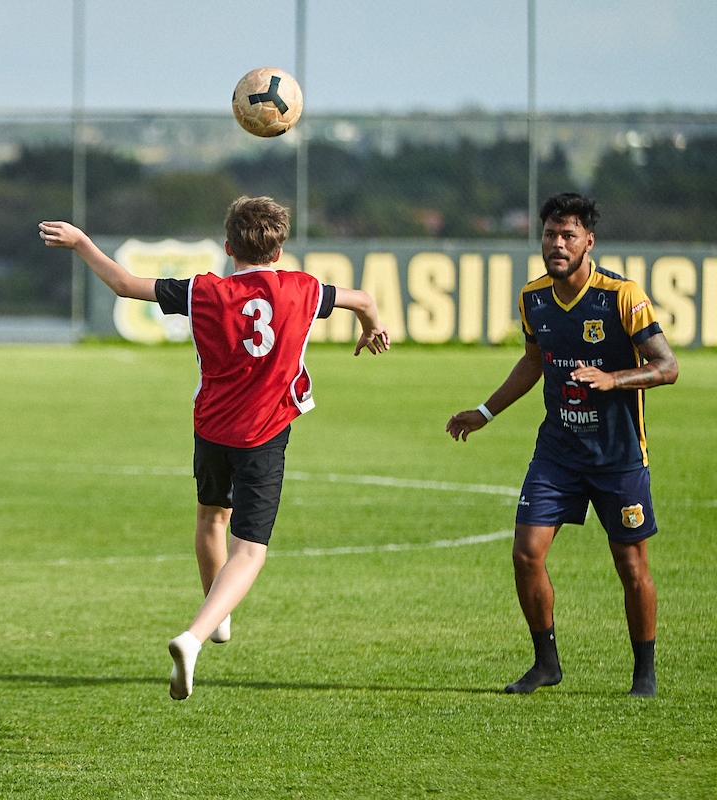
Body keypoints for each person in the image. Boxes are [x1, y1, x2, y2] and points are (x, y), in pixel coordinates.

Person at [41, 196, 390, 700]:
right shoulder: (304, 289)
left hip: (212, 429)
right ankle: (195, 635)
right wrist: (371, 328)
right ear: (281, 248)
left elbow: (122, 284)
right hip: (265, 433)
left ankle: (216, 615)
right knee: (250, 550)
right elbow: (362, 299)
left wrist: (81, 242)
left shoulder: (204, 291)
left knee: (210, 519)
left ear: (228, 247)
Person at [447, 193, 677, 697]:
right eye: (550, 234)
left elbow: (667, 367)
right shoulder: (534, 297)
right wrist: (485, 412)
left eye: (568, 235)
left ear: (588, 242)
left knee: (631, 564)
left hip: (618, 455)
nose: (557, 243)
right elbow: (534, 360)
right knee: (527, 553)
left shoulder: (622, 295)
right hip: (558, 451)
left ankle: (644, 674)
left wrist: (613, 379)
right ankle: (546, 664)